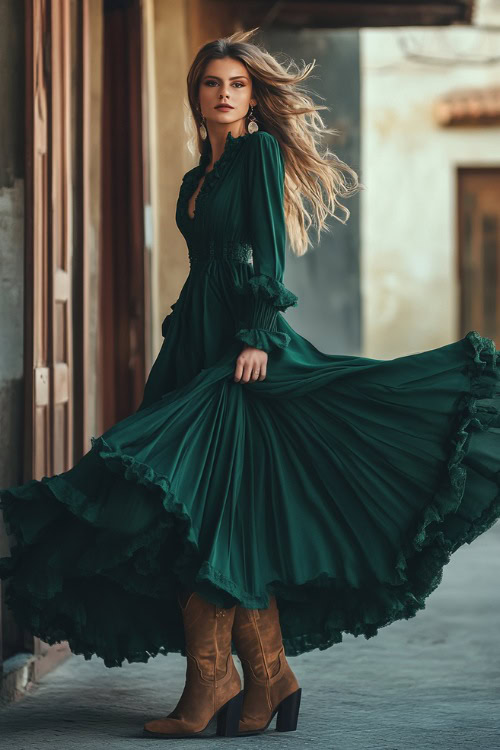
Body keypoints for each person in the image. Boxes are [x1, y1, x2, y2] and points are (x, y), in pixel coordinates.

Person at [1, 27, 499, 741]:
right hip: (191, 350)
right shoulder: (194, 178)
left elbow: (266, 249)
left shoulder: (259, 155)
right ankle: (267, 680)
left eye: (236, 84)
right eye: (212, 83)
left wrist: (259, 335)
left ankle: (213, 689)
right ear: (196, 96)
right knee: (202, 515)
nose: (225, 94)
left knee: (205, 516)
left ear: (252, 96)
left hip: (242, 355)